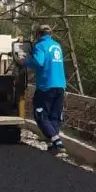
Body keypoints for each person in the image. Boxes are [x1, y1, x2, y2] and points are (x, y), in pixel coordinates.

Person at [29, 24, 66, 153]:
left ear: (38, 35)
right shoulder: (57, 46)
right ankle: (55, 144)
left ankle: (56, 140)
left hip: (46, 86)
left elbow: (39, 62)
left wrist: (25, 61)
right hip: (60, 85)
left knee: (40, 115)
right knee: (54, 116)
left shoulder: (40, 46)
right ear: (50, 34)